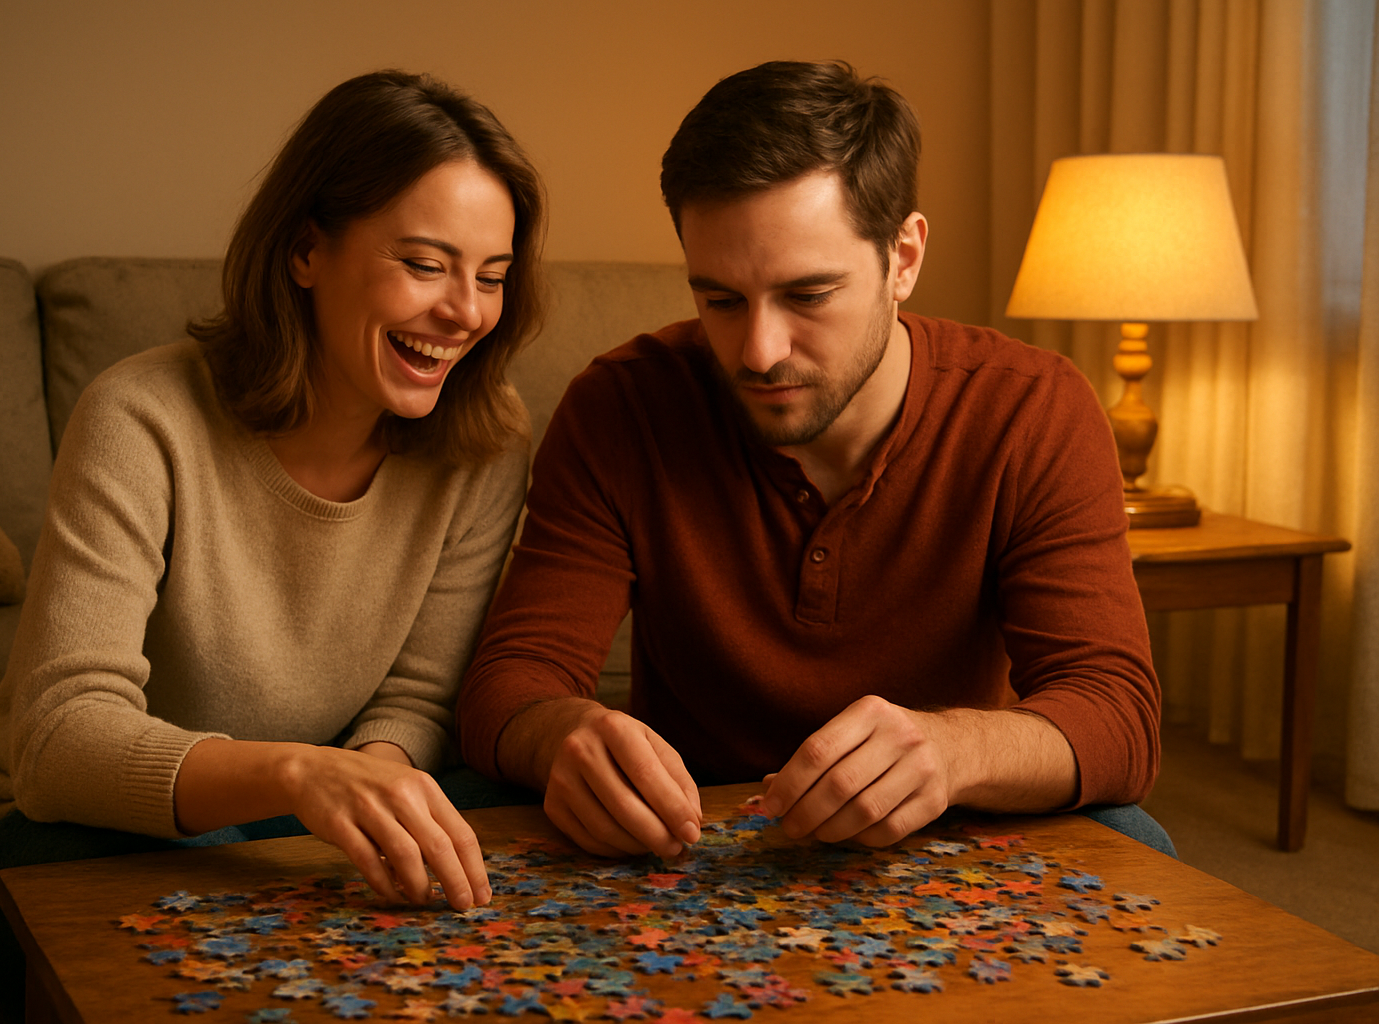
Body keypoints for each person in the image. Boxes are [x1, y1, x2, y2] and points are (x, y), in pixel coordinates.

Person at [0, 70, 545, 1015]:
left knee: (499, 816)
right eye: (426, 265)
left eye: (492, 277)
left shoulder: (483, 441)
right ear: (307, 250)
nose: (465, 311)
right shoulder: (141, 417)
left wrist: (375, 784)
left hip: (290, 833)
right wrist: (301, 776)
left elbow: (418, 697)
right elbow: (57, 745)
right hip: (56, 834)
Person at [456, 60, 1170, 864]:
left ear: (903, 257)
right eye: (720, 300)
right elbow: (509, 684)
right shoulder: (622, 406)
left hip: (946, 828)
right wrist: (564, 734)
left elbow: (1119, 717)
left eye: (808, 296)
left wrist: (952, 751)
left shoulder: (1033, 410)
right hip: (689, 843)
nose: (758, 352)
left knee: (1137, 838)